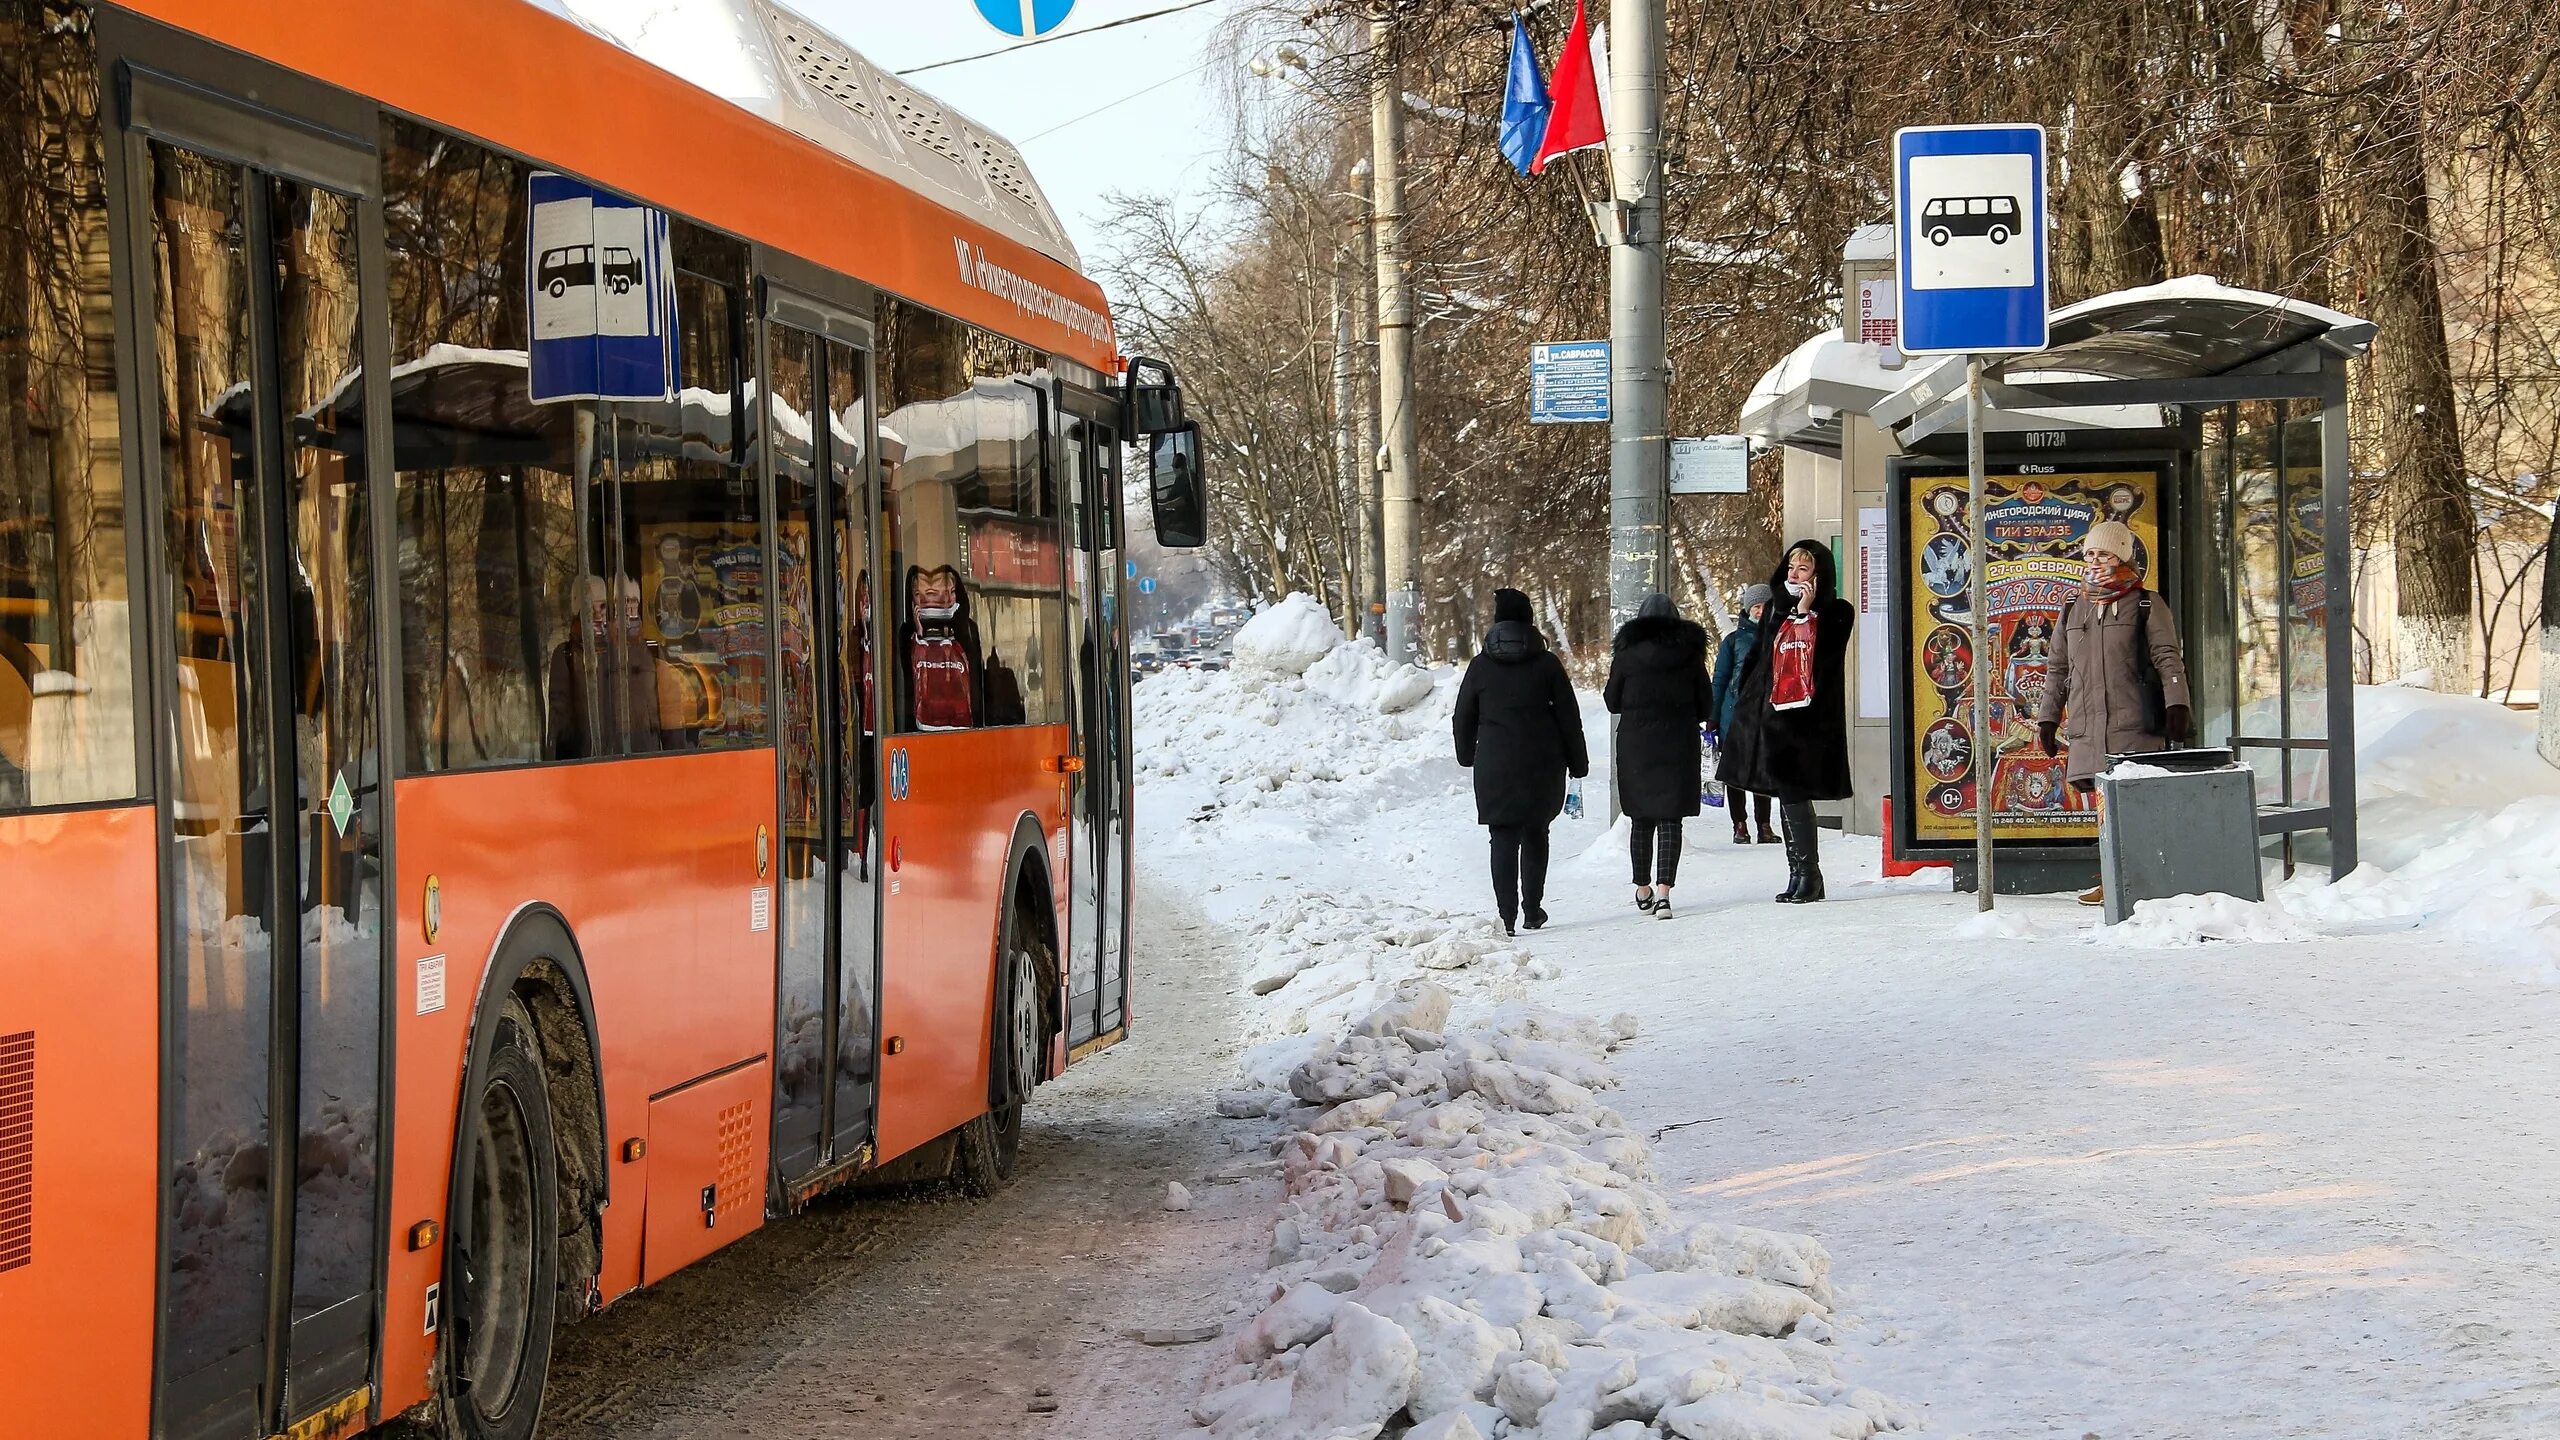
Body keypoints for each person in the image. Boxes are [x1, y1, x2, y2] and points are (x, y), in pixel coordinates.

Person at [2034, 519, 2192, 906]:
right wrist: (2048, 719)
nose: (2096, 560)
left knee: (2138, 808)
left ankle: (2147, 881)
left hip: (2134, 725)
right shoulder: (2074, 607)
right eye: (2090, 553)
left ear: (2121, 556)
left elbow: (2167, 658)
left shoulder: (2145, 603)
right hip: (2089, 729)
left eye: (2104, 554)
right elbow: (2057, 668)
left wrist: (2177, 703)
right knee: (2105, 812)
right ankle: (2115, 879)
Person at [1719, 542, 1855, 903]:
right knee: (1785, 795)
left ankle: (1810, 875)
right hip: (1769, 717)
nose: (1794, 574)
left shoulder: (1837, 613)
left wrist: (1806, 613)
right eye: (1791, 567)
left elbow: (1823, 660)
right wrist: (1745, 704)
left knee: (1795, 794)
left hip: (1806, 721)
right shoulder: (1775, 609)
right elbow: (1758, 661)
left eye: (1804, 569)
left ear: (1818, 576)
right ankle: (1798, 873)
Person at [1454, 588, 1588, 936]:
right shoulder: (1547, 665)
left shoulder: (1481, 666)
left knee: (1502, 837)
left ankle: (1506, 916)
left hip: (1495, 764)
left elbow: (1463, 715)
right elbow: (1568, 717)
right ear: (1529, 621)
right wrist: (1578, 762)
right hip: (1542, 764)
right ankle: (1532, 909)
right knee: (1536, 833)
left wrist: (1467, 754)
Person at [1604, 593, 1711, 919]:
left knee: (1641, 818)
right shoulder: (1690, 654)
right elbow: (1705, 704)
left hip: (1637, 745)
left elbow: (1612, 700)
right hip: (1677, 744)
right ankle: (1664, 894)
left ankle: (1642, 888)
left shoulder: (1626, 655)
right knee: (1670, 820)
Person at [1709, 583, 1780, 846]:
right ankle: (1739, 824)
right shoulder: (1733, 641)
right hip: (1735, 716)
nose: (1762, 611)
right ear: (1748, 609)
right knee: (1735, 774)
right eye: (1757, 606)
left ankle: (1764, 825)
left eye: (1766, 606)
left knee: (1764, 770)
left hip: (1767, 714)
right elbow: (1720, 679)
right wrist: (1713, 717)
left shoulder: (1779, 636)